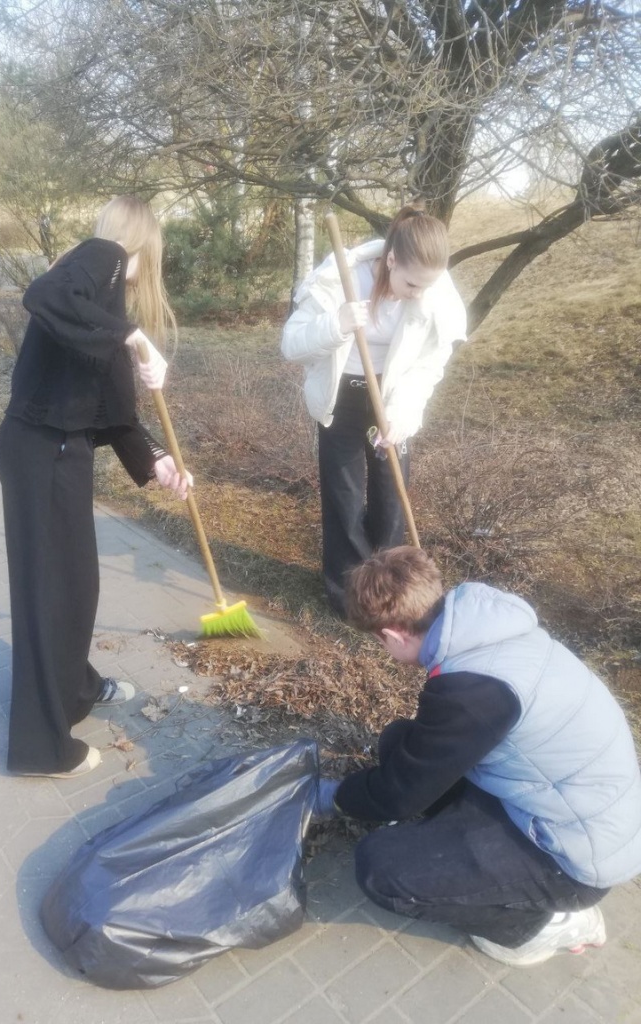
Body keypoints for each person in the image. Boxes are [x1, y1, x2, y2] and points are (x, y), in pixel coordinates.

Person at [314, 546, 641, 967]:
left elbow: (397, 797)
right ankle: (469, 849)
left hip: (575, 856)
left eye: (381, 644)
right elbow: (425, 758)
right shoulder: (486, 630)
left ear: (391, 635)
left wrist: (330, 798)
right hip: (562, 801)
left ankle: (546, 926)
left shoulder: (474, 692)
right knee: (401, 741)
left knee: (382, 870)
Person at [0, 195, 188, 780]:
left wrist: (157, 459)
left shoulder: (98, 307)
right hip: (41, 452)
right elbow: (43, 295)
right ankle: (40, 748)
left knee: (74, 589)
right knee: (51, 596)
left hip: (59, 451)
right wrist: (134, 338)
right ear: (141, 245)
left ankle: (75, 687)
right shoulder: (102, 256)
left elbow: (114, 414)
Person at [281, 205, 467, 617]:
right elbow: (290, 345)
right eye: (412, 283)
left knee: (390, 492)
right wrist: (337, 324)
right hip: (344, 396)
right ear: (391, 259)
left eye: (426, 286)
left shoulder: (435, 291)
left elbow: (428, 364)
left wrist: (403, 413)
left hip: (393, 396)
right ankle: (349, 595)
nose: (418, 293)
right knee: (344, 495)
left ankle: (392, 592)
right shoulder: (339, 280)